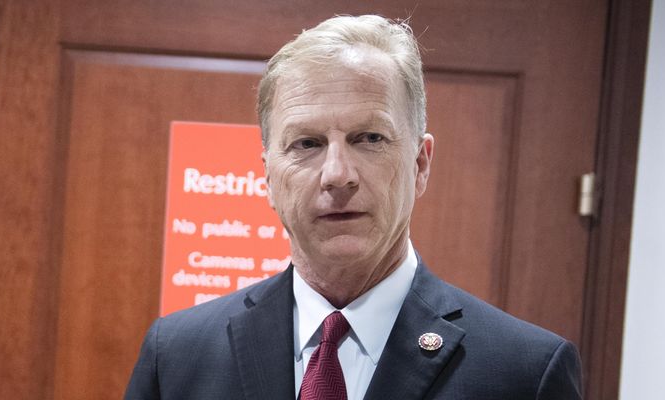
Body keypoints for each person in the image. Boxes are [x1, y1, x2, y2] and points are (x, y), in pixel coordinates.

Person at [125, 15, 581, 400]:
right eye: (307, 143)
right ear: (267, 176)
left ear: (420, 164)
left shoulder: (525, 373)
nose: (337, 174)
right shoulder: (177, 357)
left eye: (369, 139)